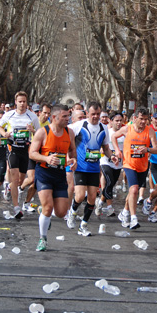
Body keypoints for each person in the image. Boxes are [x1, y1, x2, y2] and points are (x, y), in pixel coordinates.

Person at [29, 104, 76, 251]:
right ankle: (42, 238)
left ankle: (44, 214)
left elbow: (72, 150)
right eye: (64, 116)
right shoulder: (42, 132)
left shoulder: (70, 132)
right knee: (48, 207)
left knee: (62, 213)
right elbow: (32, 153)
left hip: (60, 174)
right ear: (54, 117)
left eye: (68, 116)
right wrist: (47, 158)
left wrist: (73, 160)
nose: (68, 119)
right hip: (44, 173)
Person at [66, 101, 113, 236]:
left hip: (94, 168)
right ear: (87, 113)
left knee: (92, 198)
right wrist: (70, 155)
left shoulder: (104, 128)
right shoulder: (78, 126)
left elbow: (106, 148)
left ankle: (83, 225)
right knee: (80, 196)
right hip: (80, 166)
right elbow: (66, 138)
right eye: (93, 114)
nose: (96, 117)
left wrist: (112, 157)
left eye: (98, 114)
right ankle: (72, 212)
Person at [112, 107, 157, 230]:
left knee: (134, 191)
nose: (143, 122)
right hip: (129, 164)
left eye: (146, 119)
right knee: (133, 190)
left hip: (142, 166)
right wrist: (117, 150)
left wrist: (147, 149)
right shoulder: (127, 129)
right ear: (134, 118)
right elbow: (114, 137)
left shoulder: (150, 131)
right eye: (141, 119)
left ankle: (125, 212)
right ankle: (133, 218)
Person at [0, 91, 40, 219]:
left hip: (25, 150)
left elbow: (39, 132)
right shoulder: (9, 115)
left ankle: (10, 188)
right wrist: (4, 133)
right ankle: (16, 208)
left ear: (27, 103)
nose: (22, 104)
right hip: (13, 148)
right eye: (20, 101)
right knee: (15, 179)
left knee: (21, 180)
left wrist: (32, 131)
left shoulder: (32, 116)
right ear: (16, 102)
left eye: (24, 102)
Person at [98, 112, 124, 217]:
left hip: (118, 164)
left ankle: (100, 202)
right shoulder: (106, 132)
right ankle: (109, 207)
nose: (118, 123)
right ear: (111, 121)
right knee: (109, 181)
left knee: (110, 185)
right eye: (116, 121)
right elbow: (100, 148)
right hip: (105, 161)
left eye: (120, 121)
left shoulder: (124, 133)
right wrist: (109, 154)